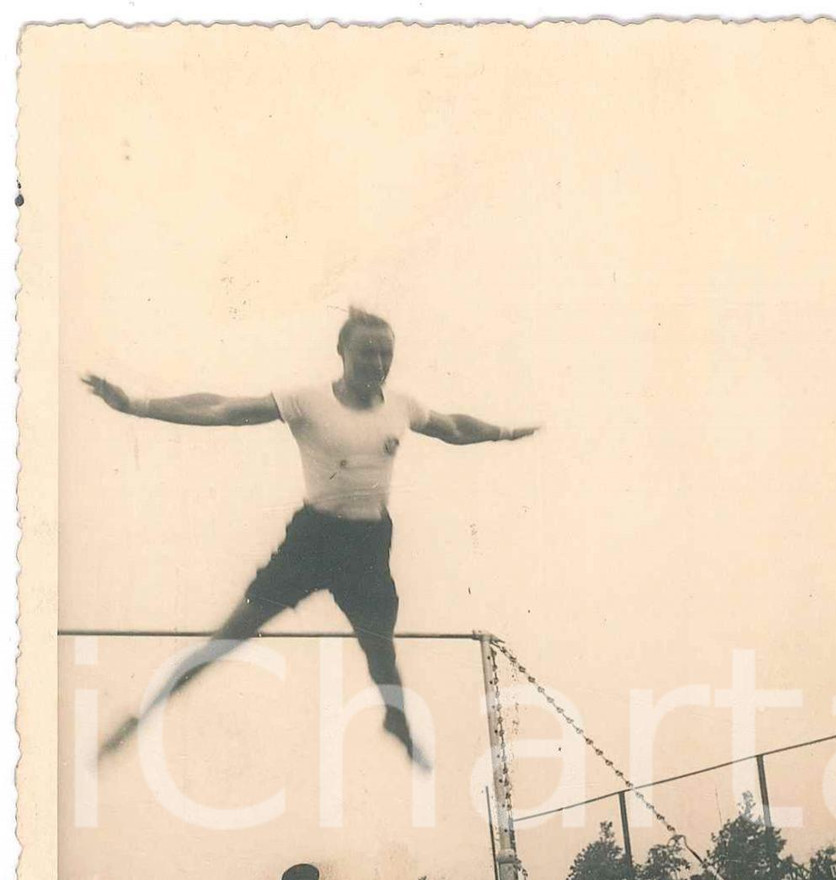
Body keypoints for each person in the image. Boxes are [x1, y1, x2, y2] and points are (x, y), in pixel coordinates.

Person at [84, 307, 538, 768]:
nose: (377, 365)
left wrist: (504, 433)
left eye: (386, 355)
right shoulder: (307, 401)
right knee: (229, 635)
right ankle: (143, 715)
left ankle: (395, 719)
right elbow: (222, 409)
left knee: (381, 654)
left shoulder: (402, 407)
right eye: (367, 354)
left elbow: (456, 428)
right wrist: (138, 405)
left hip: (367, 545)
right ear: (341, 352)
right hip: (313, 540)